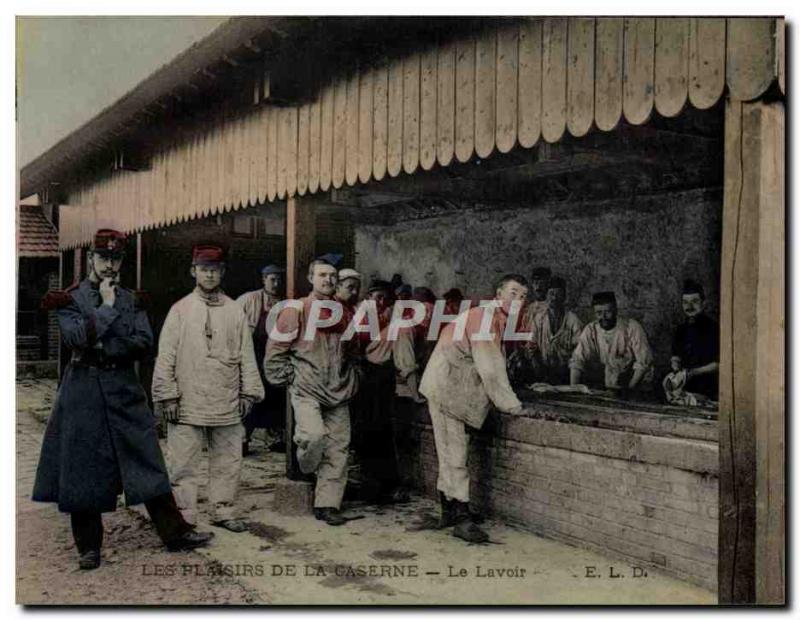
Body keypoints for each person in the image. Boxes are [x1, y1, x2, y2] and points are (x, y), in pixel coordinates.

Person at [33, 229, 213, 570]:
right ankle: (89, 547)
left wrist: (104, 343)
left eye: (115, 259)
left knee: (147, 459)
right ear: (90, 259)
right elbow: (73, 338)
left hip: (123, 387)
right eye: (103, 258)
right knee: (83, 467)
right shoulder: (69, 298)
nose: (110, 265)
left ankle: (175, 533)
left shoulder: (132, 298)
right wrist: (108, 309)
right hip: (82, 390)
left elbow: (144, 341)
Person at [152, 245, 264, 533]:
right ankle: (185, 516)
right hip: (187, 399)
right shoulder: (180, 310)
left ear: (223, 272)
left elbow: (246, 353)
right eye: (204, 269)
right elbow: (165, 356)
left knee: (228, 459)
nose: (210, 275)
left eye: (215, 270)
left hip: (226, 397)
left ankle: (223, 509)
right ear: (194, 271)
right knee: (184, 463)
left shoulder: (235, 310)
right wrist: (167, 396)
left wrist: (248, 392)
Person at [419, 274, 529, 544]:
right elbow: (490, 368)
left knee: (450, 452)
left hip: (452, 388)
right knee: (454, 454)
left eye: (523, 296)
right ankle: (461, 518)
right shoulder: (485, 318)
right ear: (499, 292)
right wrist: (512, 405)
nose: (518, 300)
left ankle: (450, 511)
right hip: (446, 389)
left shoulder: (494, 317)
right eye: (513, 293)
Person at [264, 258, 360, 526]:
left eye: (332, 275)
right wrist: (289, 379)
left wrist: (352, 378)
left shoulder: (345, 312)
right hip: (307, 388)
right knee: (314, 437)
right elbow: (275, 352)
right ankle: (307, 469)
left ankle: (327, 504)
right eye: (321, 275)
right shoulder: (297, 309)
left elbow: (353, 350)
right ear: (310, 278)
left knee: (339, 448)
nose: (327, 280)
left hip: (339, 390)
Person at [237, 263, 287, 456]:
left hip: (275, 356)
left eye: (279, 279)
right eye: (272, 279)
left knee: (275, 396)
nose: (276, 283)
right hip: (253, 355)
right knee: (251, 396)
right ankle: (243, 438)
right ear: (263, 280)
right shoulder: (248, 300)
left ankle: (275, 438)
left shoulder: (286, 302)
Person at [569, 291, 654, 392]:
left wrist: (629, 390)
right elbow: (577, 360)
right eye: (599, 313)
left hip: (635, 386)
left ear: (615, 310)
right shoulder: (591, 330)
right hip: (608, 386)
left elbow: (643, 363)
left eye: (608, 312)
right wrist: (574, 388)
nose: (603, 317)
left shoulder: (632, 328)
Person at [670, 279, 719, 401]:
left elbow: (719, 364)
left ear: (703, 303)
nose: (689, 306)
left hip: (708, 389)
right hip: (685, 387)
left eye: (694, 301)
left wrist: (691, 373)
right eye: (685, 302)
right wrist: (676, 368)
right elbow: (675, 356)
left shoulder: (713, 328)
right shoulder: (680, 329)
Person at [529, 277, 583, 384]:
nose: (554, 298)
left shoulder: (573, 320)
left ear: (564, 297)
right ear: (547, 296)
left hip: (566, 372)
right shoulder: (539, 319)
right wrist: (537, 364)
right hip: (544, 371)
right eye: (551, 294)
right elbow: (532, 345)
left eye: (559, 294)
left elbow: (579, 350)